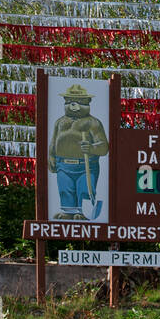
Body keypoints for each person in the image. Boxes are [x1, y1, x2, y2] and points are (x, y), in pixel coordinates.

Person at [48, 83, 110, 219]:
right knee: (65, 189)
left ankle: (83, 212)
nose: (73, 105)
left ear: (87, 103)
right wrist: (51, 157)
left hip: (85, 165)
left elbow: (104, 147)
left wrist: (92, 148)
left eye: (79, 102)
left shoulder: (93, 123)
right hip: (63, 165)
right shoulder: (59, 122)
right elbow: (54, 140)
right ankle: (68, 212)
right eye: (69, 101)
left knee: (85, 189)